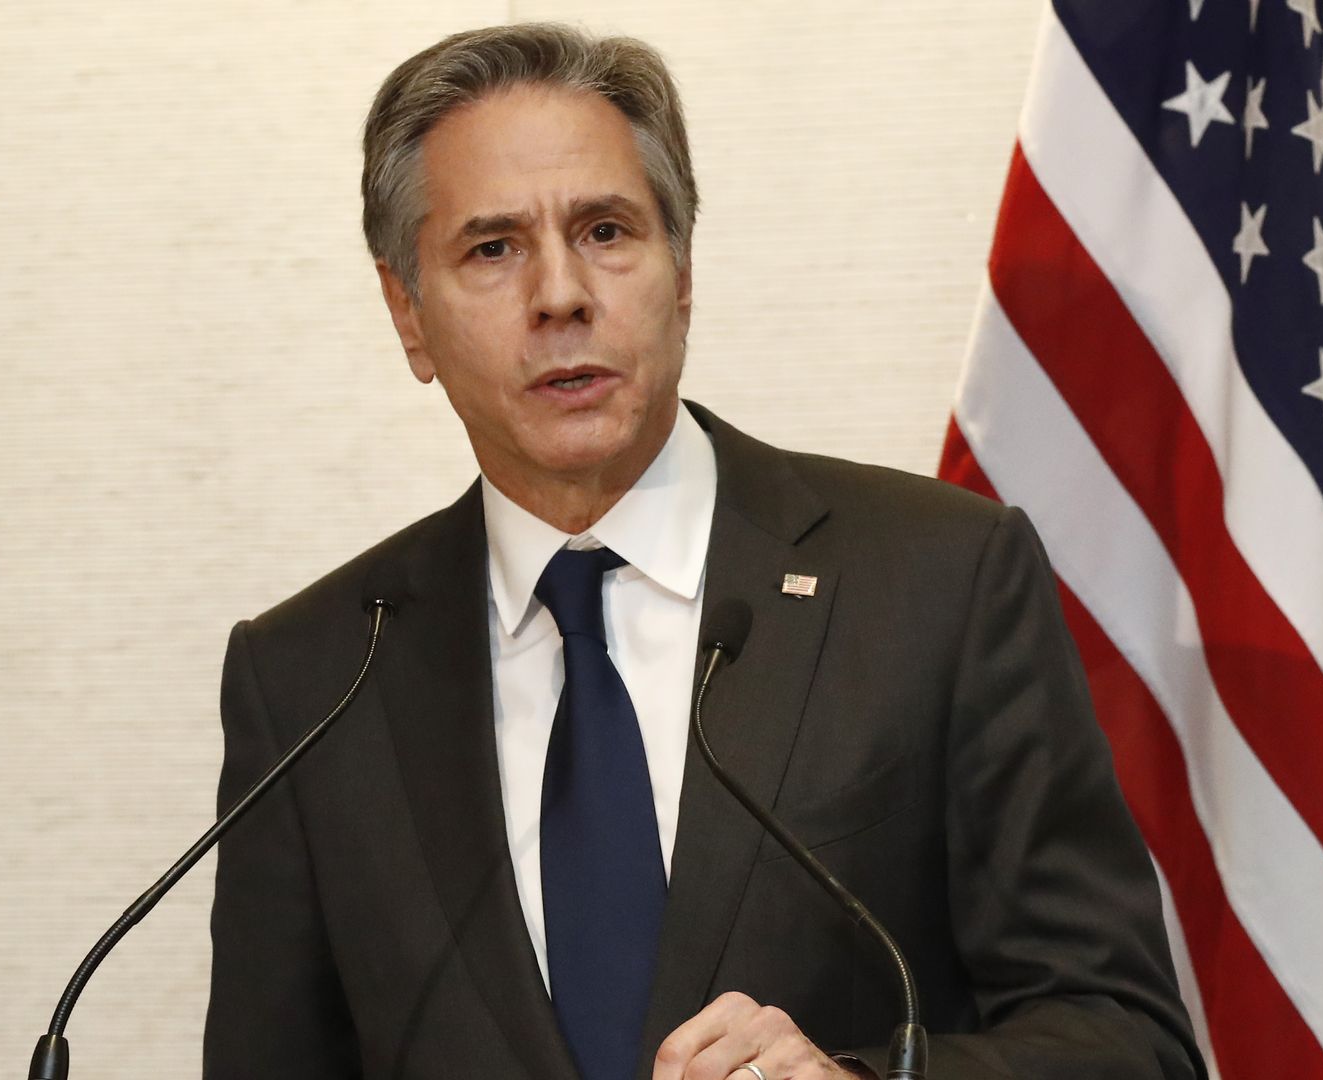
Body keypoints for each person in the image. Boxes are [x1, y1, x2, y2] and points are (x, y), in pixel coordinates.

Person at [204, 23, 1202, 1080]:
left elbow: (1127, 1040)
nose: (560, 295)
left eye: (605, 231)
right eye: (492, 249)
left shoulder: (938, 585)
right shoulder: (313, 679)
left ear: (681, 271)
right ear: (407, 312)